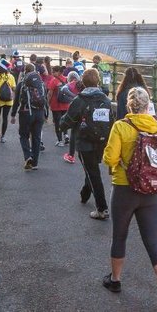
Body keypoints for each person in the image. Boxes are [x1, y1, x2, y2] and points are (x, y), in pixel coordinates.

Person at [101, 87, 157, 312]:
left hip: (125, 189)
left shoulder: (121, 126)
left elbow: (109, 158)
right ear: (147, 106)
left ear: (128, 105)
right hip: (151, 191)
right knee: (153, 242)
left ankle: (115, 280)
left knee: (120, 236)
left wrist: (119, 160)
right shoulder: (156, 127)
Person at [59, 68, 112, 219]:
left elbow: (66, 122)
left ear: (83, 82)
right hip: (102, 141)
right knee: (92, 169)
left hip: (85, 141)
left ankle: (102, 208)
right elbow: (111, 121)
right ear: (98, 81)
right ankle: (85, 194)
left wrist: (62, 124)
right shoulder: (106, 100)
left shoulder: (80, 100)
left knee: (93, 172)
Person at [10, 63, 50, 170]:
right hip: (40, 113)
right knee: (36, 138)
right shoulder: (41, 84)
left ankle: (28, 157)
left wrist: (13, 115)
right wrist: (46, 114)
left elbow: (16, 101)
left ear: (25, 71)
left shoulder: (22, 84)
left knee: (23, 135)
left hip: (26, 112)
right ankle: (35, 163)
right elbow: (45, 100)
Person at [44, 65, 69, 148]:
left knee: (57, 123)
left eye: (53, 72)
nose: (52, 73)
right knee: (64, 121)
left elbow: (50, 93)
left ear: (58, 72)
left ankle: (60, 140)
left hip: (56, 105)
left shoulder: (54, 80)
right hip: (66, 104)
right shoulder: (66, 79)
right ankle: (66, 135)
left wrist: (47, 103)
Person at [59, 71, 82, 163]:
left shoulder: (72, 84)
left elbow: (63, 89)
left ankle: (71, 155)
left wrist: (74, 97)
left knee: (74, 132)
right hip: (87, 110)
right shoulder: (83, 84)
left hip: (76, 111)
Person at [0, 64, 16, 143]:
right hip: (9, 100)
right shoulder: (11, 76)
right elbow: (14, 88)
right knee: (5, 117)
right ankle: (3, 136)